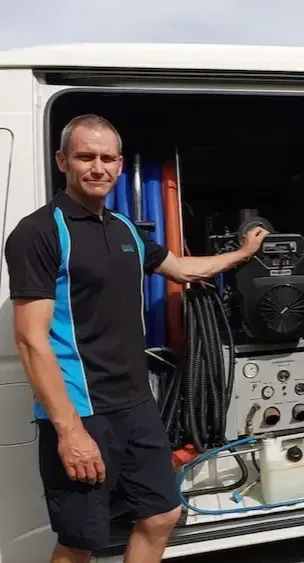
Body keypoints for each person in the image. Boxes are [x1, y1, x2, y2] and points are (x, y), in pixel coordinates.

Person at [4, 114, 269, 563]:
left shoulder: (124, 228)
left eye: (107, 158)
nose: (97, 167)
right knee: (79, 542)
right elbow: (31, 341)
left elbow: (184, 270)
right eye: (86, 156)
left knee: (162, 514)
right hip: (83, 412)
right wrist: (70, 432)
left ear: (120, 164)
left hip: (135, 404)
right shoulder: (40, 232)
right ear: (62, 160)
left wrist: (243, 253)